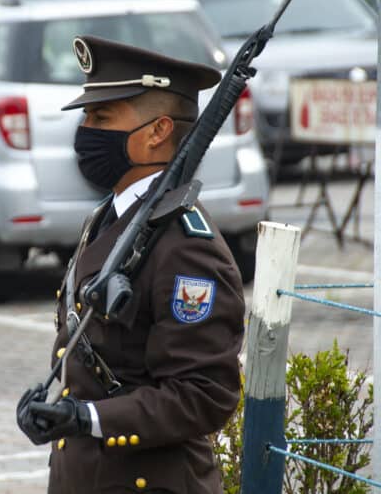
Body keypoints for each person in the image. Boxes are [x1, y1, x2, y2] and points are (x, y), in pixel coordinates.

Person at [16, 35, 245, 493]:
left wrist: (90, 417)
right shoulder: (109, 216)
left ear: (159, 131)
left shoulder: (185, 245)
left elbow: (204, 395)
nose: (86, 128)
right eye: (86, 115)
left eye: (102, 116)